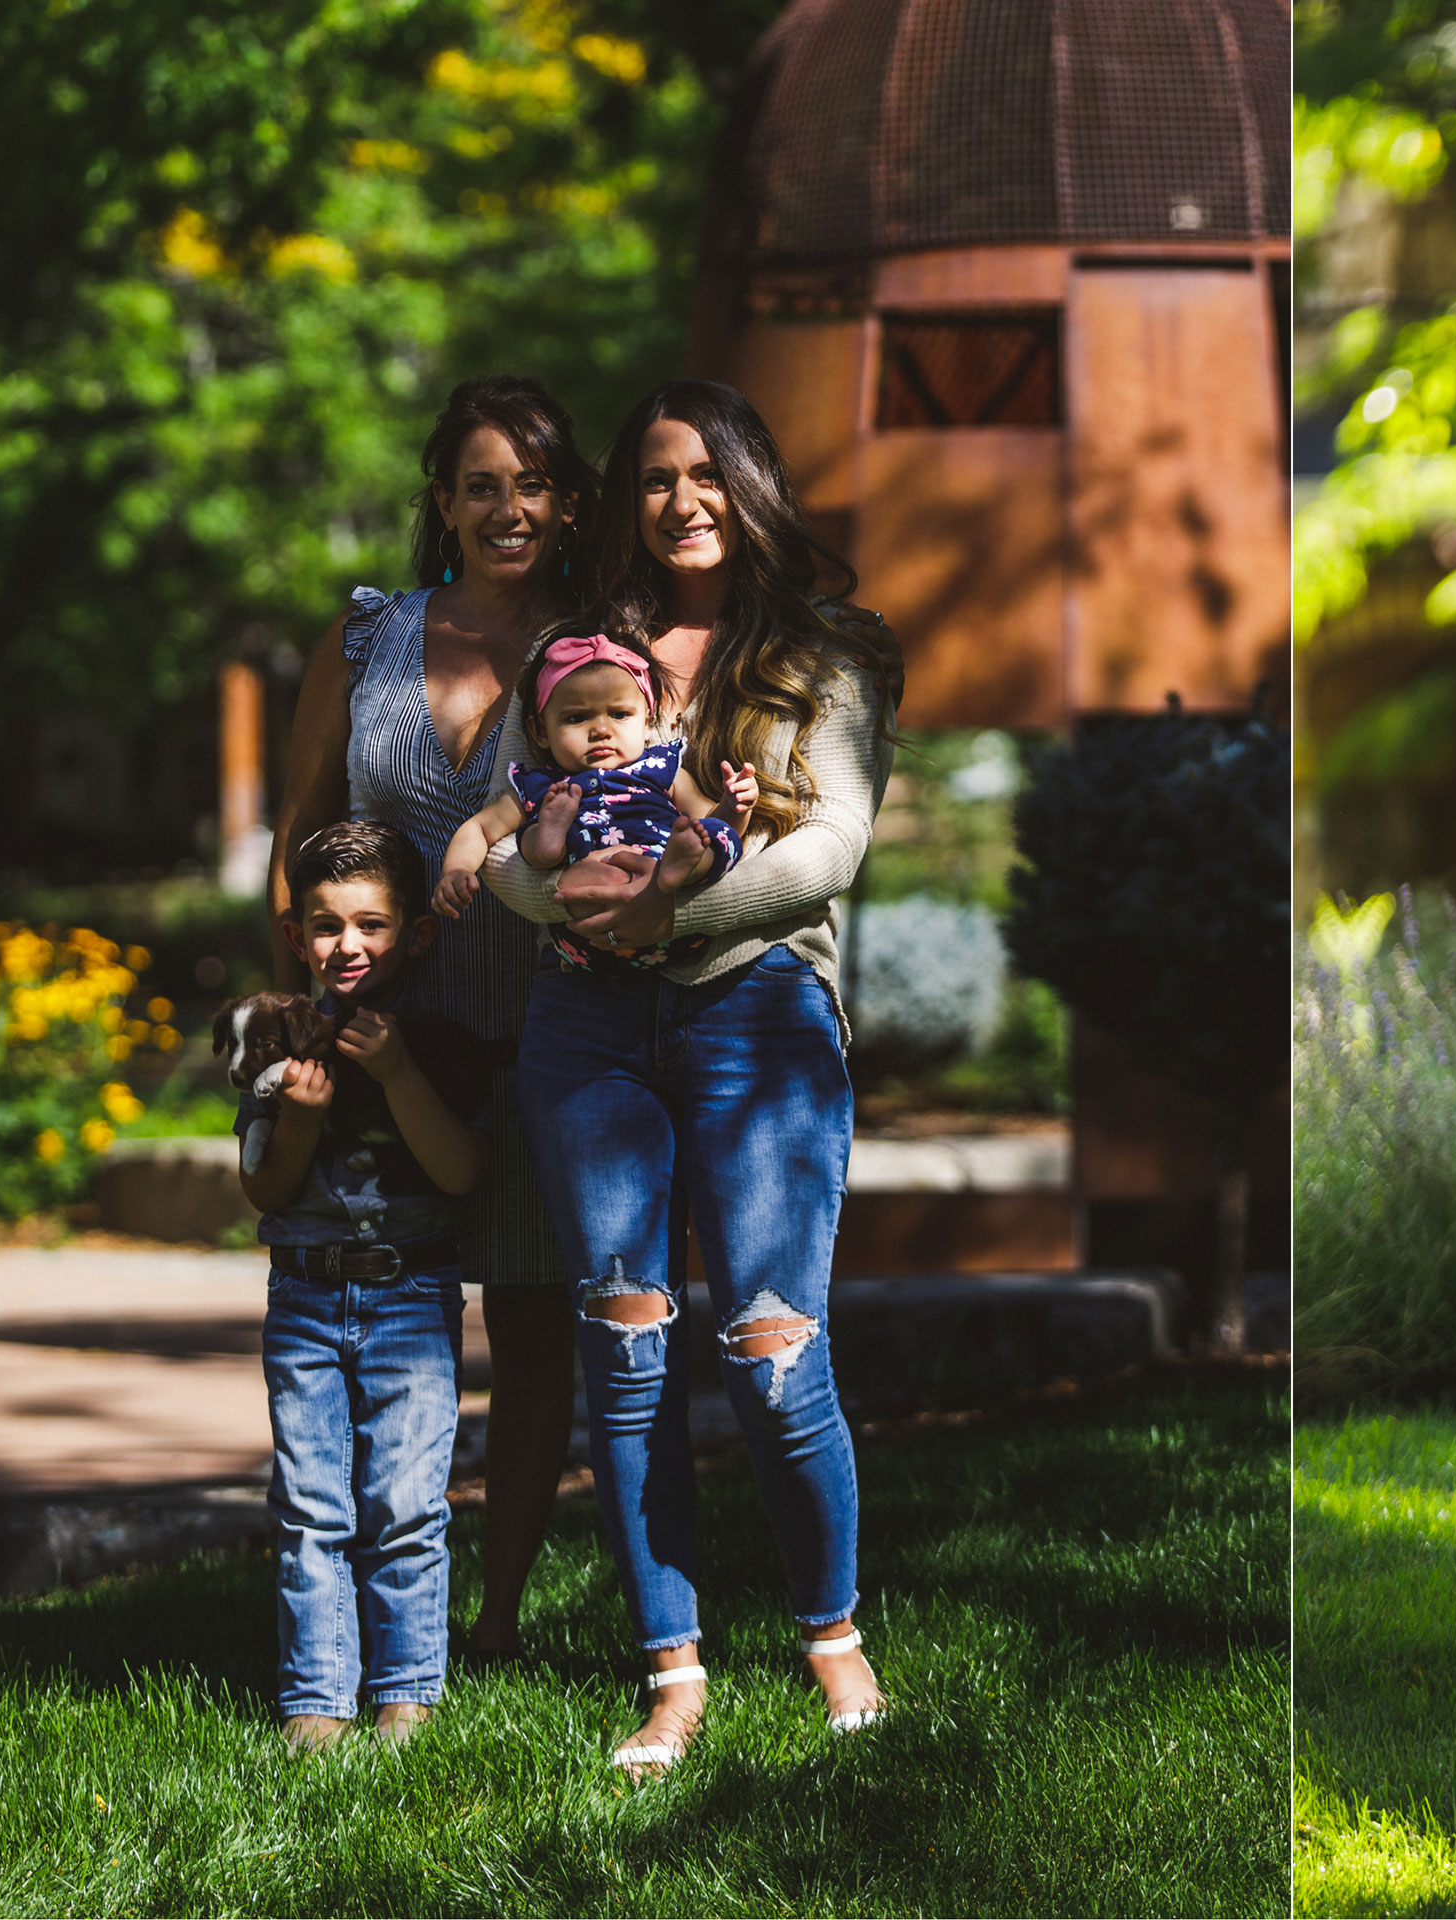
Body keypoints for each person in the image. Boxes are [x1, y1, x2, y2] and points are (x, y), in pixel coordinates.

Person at [477, 377, 901, 1775]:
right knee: (625, 1347)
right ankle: (672, 1672)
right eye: (657, 477)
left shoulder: (828, 651)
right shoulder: (577, 651)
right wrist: (578, 913)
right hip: (587, 1032)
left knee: (774, 1351)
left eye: (707, 473)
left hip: (757, 1016)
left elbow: (832, 844)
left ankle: (831, 1637)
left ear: (751, 485)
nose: (682, 501)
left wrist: (667, 915)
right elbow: (506, 837)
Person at [271, 376, 596, 1662]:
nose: (508, 509)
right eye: (481, 486)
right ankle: (359, 1624)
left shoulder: (601, 652)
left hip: (541, 1040)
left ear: (568, 504)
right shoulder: (369, 639)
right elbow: (301, 828)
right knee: (377, 1330)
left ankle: (496, 1620)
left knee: (530, 1330)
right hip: (376, 1049)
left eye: (532, 485)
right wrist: (304, 1005)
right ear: (444, 502)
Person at [244, 821, 495, 1750]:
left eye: (372, 925)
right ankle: (315, 1703)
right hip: (304, 1300)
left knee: (404, 1505)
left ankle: (406, 1696)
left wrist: (393, 1073)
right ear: (296, 935)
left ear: (415, 935)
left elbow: (460, 1172)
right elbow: (265, 1190)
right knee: (310, 1507)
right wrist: (299, 1123)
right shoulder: (274, 1044)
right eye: (325, 926)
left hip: (410, 1298)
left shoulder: (439, 1045)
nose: (347, 945)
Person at [432, 630, 758, 972]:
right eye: (577, 718)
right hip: (591, 929)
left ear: (647, 721)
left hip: (673, 911)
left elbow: (712, 820)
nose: (601, 729)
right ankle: (548, 845)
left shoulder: (661, 769)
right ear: (540, 731)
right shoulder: (543, 786)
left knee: (713, 835)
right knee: (541, 839)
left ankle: (683, 866)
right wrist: (457, 869)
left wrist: (734, 805)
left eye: (619, 714)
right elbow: (480, 829)